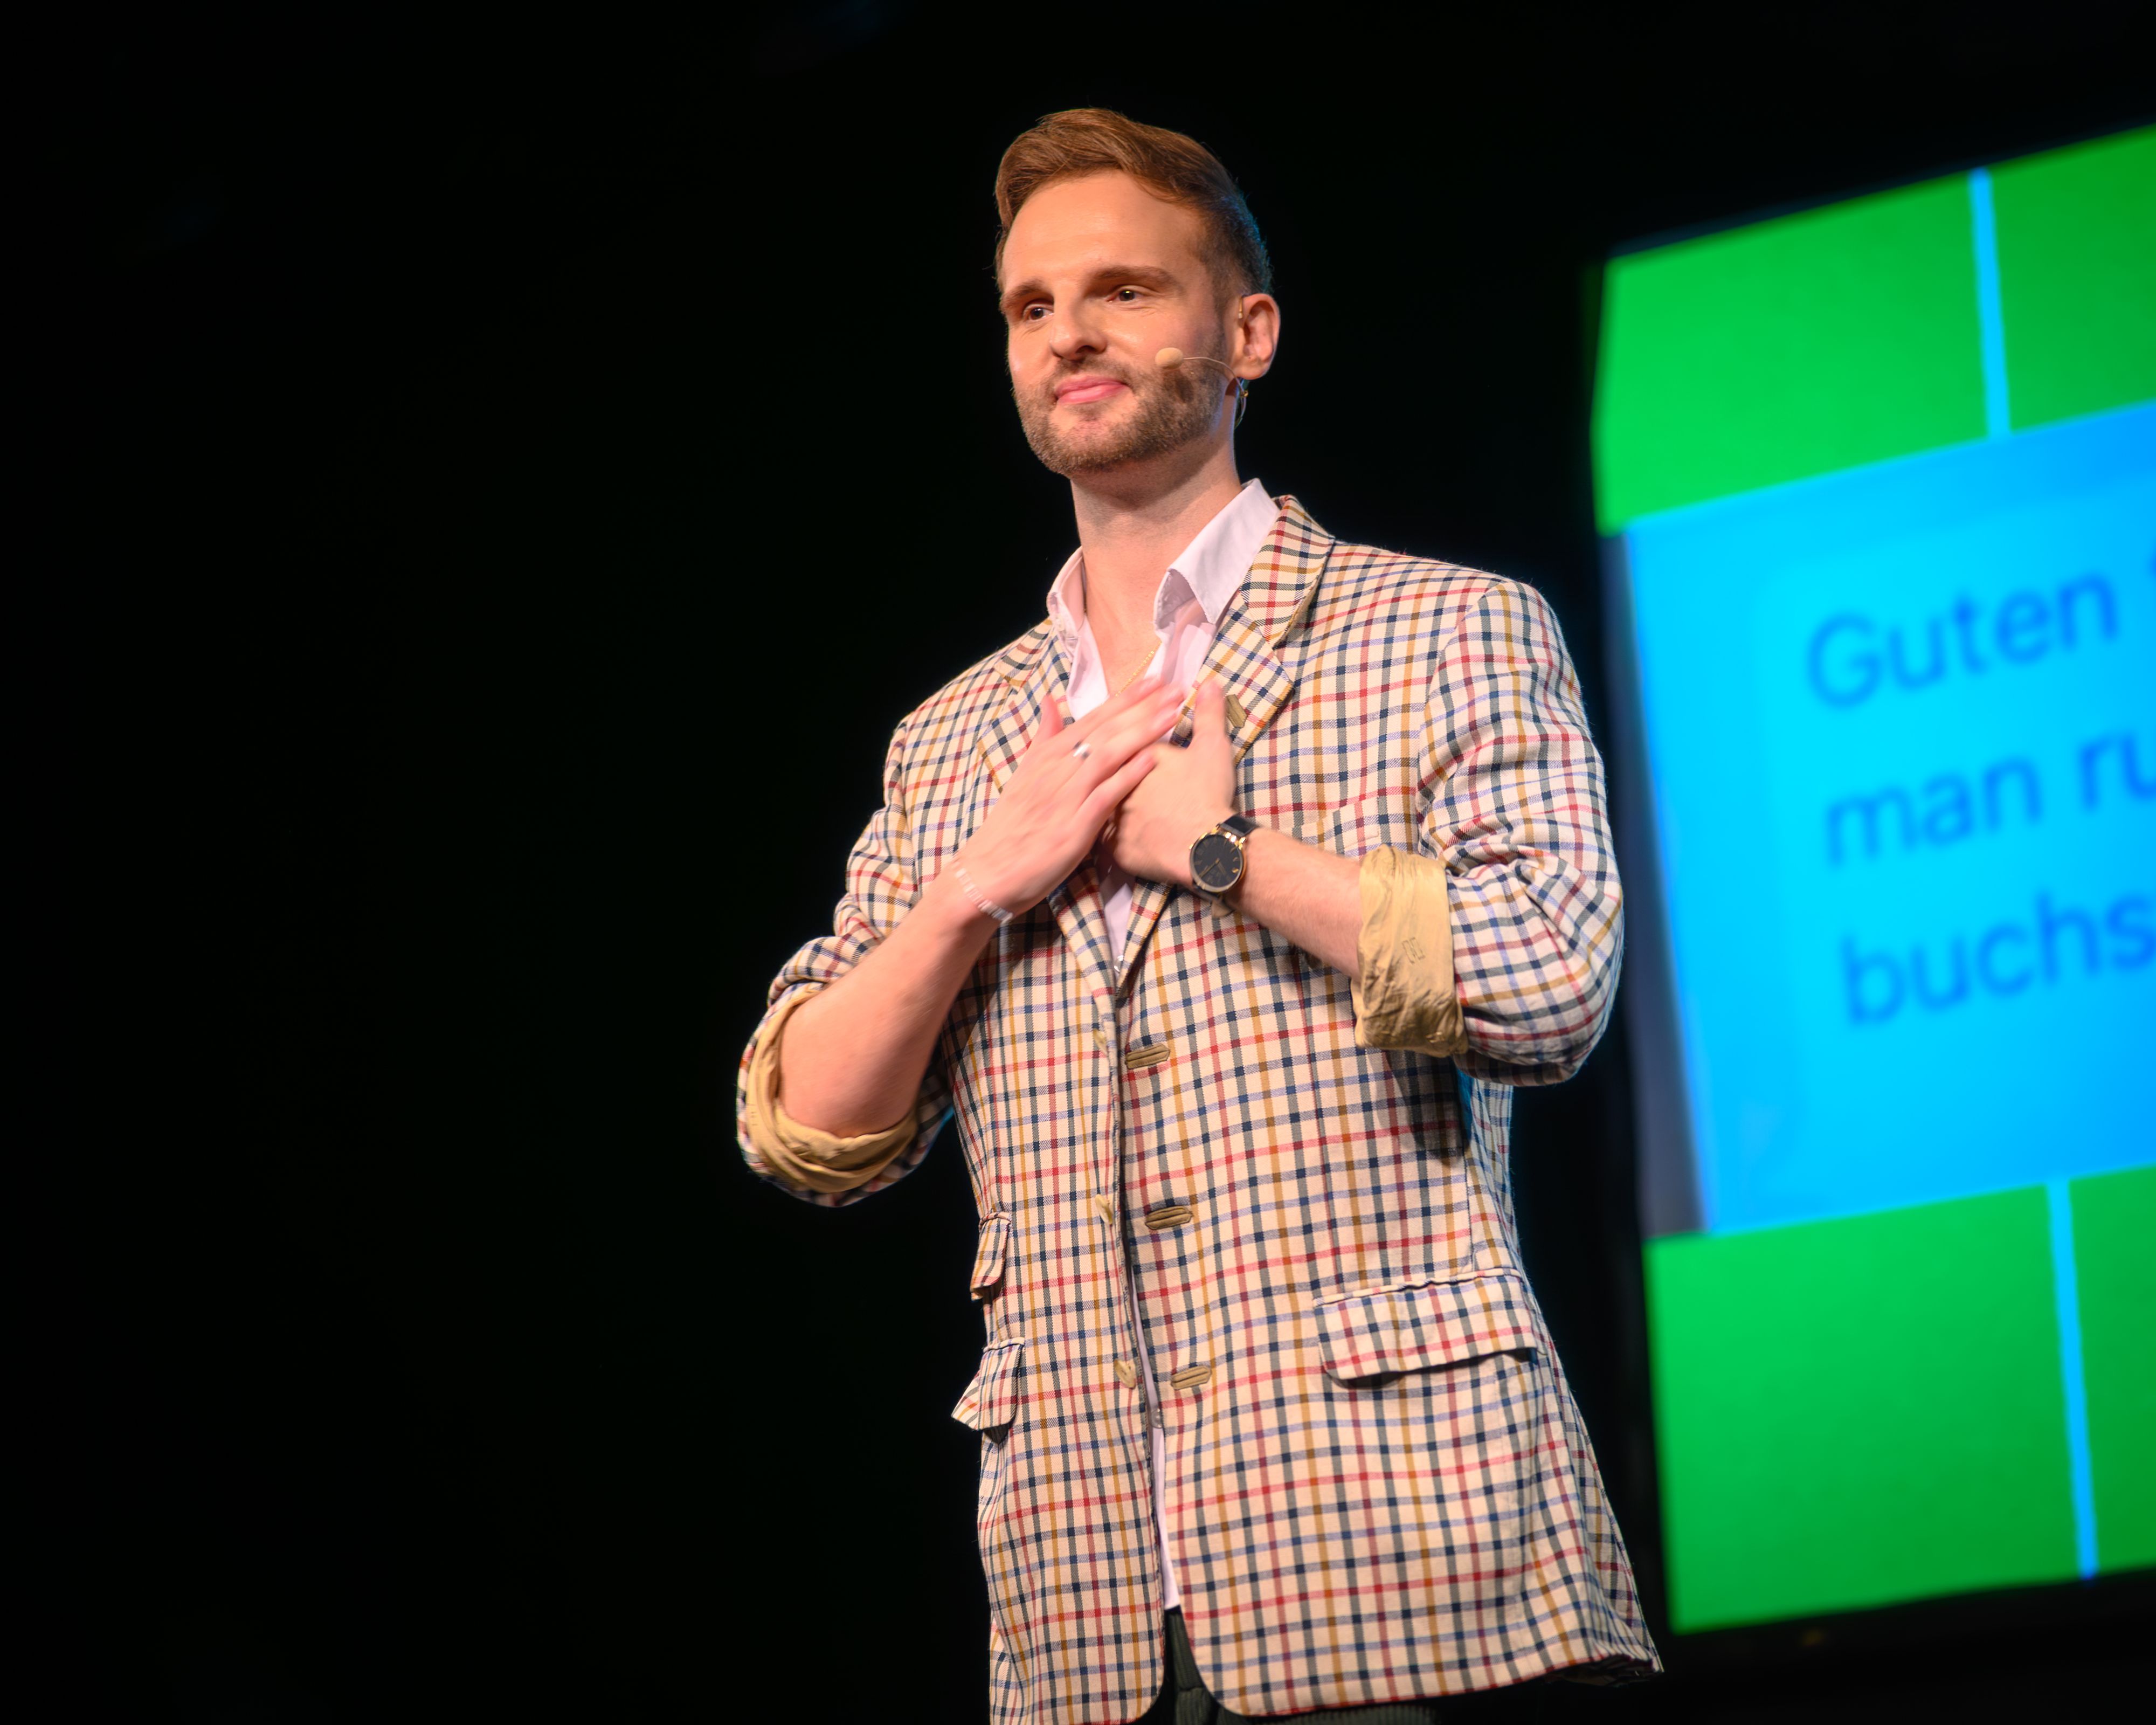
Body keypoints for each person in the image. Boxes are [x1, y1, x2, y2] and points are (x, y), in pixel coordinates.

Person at [737, 108, 1657, 1723]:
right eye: (1031, 306)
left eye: (1125, 290)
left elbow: (1549, 981)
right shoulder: (956, 745)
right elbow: (808, 1132)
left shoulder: (1444, 627)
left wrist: (1225, 852)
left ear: (1249, 334)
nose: (1068, 334)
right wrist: (974, 889)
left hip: (1410, 1563)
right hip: (1087, 1615)